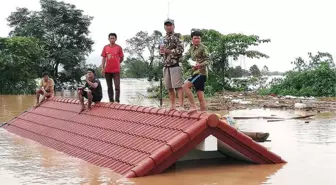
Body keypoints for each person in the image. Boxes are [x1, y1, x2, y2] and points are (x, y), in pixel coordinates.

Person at [183, 29, 210, 113]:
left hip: (201, 73)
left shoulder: (203, 48)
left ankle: (193, 106)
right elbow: (186, 59)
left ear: (200, 39)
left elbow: (208, 60)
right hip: (195, 72)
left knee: (185, 86)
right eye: (195, 38)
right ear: (192, 39)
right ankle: (203, 114)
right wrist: (192, 66)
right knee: (200, 96)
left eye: (198, 38)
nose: (197, 40)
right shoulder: (191, 49)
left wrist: (199, 65)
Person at [160, 18, 184, 111]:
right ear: (164, 27)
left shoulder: (178, 36)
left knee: (178, 86)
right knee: (169, 87)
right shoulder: (163, 39)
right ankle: (172, 105)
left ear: (173, 26)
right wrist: (161, 52)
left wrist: (168, 51)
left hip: (176, 64)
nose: (168, 27)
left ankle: (181, 106)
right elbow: (161, 53)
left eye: (170, 25)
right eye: (167, 25)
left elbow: (181, 50)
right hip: (166, 65)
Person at [101, 33, 124, 103]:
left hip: (116, 71)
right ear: (108, 39)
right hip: (107, 70)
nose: (112, 39)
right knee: (109, 87)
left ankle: (117, 101)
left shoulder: (119, 47)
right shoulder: (105, 47)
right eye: (111, 38)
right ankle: (111, 100)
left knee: (117, 86)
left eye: (113, 38)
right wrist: (102, 68)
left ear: (116, 39)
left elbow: (122, 57)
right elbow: (104, 58)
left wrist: (117, 63)